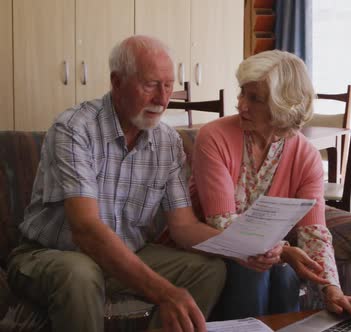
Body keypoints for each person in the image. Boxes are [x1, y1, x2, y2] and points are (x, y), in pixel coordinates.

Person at [6, 35, 280, 332]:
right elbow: (86, 229)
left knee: (208, 270)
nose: (162, 99)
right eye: (150, 85)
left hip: (127, 253)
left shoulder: (167, 142)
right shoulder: (74, 129)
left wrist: (243, 248)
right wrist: (165, 292)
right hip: (51, 254)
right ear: (117, 82)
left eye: (168, 85)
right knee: (80, 274)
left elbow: (184, 227)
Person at [189, 49, 351, 319]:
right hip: (210, 242)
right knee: (256, 268)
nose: (241, 105)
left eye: (255, 98)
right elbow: (221, 222)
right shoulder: (213, 137)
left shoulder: (305, 155)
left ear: (284, 106)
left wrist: (332, 289)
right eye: (242, 93)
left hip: (263, 254)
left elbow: (314, 232)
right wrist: (285, 251)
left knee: (281, 272)